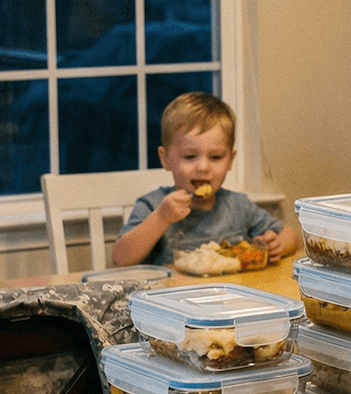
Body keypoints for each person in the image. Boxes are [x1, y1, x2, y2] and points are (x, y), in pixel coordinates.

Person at [111, 92, 299, 268]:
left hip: (231, 296)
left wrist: (277, 246)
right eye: (190, 156)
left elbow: (292, 236)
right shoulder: (154, 205)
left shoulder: (238, 206)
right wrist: (161, 218)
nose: (203, 167)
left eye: (216, 157)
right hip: (173, 298)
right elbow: (121, 259)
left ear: (230, 160)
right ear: (165, 159)